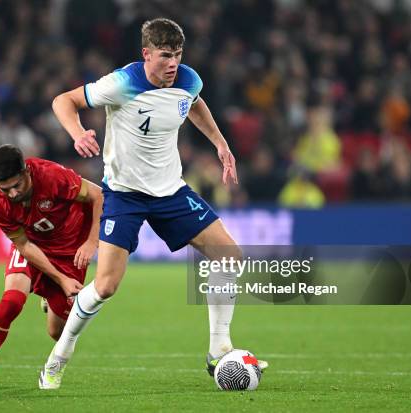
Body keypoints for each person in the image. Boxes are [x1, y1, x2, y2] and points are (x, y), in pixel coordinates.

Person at [38, 18, 267, 390]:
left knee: (229, 255)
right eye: (164, 56)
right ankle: (57, 358)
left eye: (177, 55)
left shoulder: (188, 79)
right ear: (146, 54)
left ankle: (218, 349)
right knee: (107, 285)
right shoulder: (122, 82)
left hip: (170, 192)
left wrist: (220, 144)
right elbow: (63, 101)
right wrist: (78, 132)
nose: (173, 63)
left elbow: (194, 105)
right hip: (125, 195)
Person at [0, 144, 103, 388]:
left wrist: (92, 242)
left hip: (70, 249)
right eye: (6, 189)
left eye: (17, 185)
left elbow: (98, 195)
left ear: (26, 171)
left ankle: (49, 300)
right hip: (34, 246)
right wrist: (60, 279)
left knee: (57, 333)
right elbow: (23, 245)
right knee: (11, 302)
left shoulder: (52, 176)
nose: (13, 194)